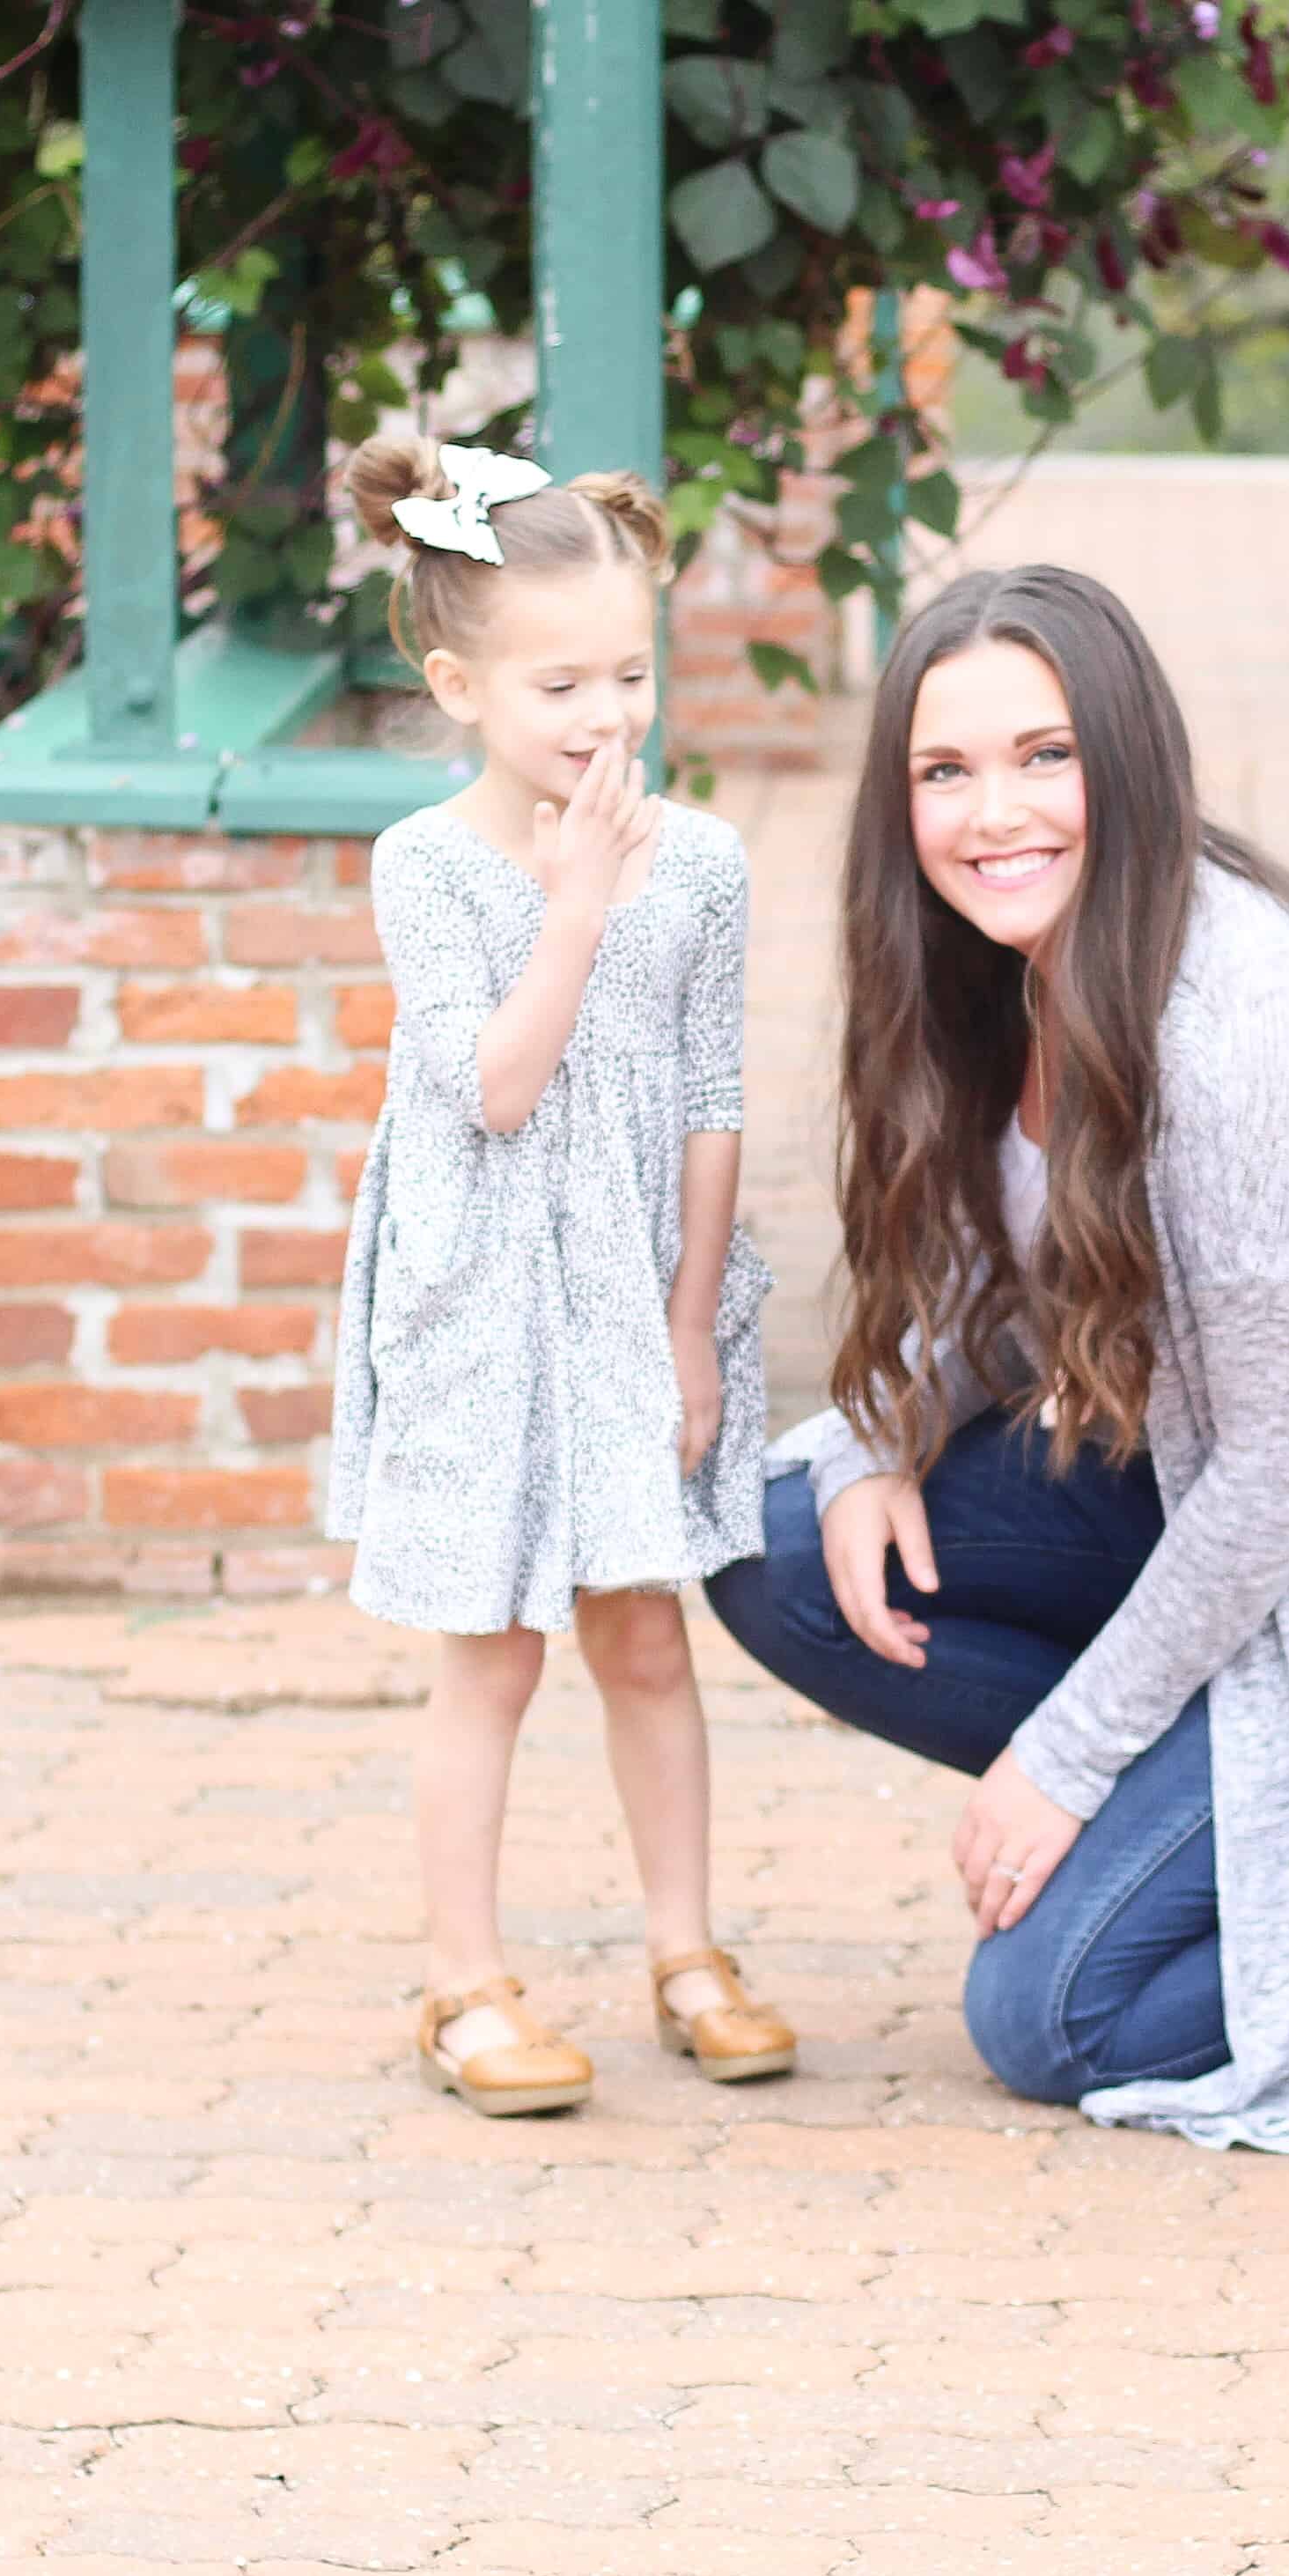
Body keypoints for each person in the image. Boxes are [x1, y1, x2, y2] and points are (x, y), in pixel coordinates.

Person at [707, 565, 1289, 2151]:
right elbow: (988, 1278)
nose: (991, 812)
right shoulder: (1002, 961)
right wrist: (881, 1438)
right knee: (783, 1541)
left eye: (1044, 755)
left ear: (1129, 762)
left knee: (1054, 2014)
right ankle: (1238, 1808)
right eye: (944, 772)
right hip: (1233, 1498)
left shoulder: (1250, 1025)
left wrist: (1065, 1761)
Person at [325, 437, 794, 2118]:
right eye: (557, 684)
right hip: (476, 1303)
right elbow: (495, 1089)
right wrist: (576, 901)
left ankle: (686, 1947)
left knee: (642, 1633)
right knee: (492, 1648)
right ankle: (464, 1980)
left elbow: (715, 1103)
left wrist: (688, 1333)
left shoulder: (710, 863)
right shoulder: (428, 869)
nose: (603, 715)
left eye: (628, 674)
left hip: (627, 1295)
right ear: (458, 684)